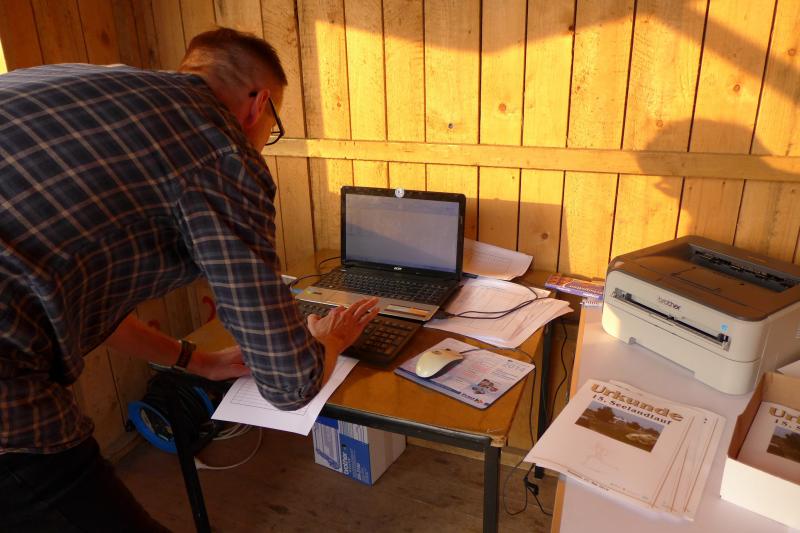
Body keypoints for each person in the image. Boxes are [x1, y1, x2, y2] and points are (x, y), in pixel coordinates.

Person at [0, 27, 378, 532]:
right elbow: (290, 384)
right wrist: (329, 340)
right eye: (274, 127)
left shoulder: (94, 85)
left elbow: (87, 304)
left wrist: (197, 360)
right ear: (258, 104)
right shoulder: (221, 151)